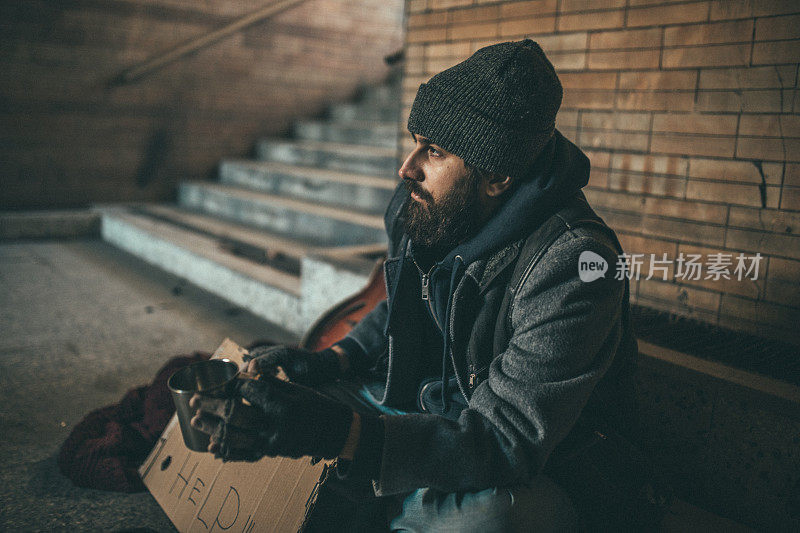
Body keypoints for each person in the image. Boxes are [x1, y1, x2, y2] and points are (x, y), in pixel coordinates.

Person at [190, 39, 651, 531]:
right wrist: (327, 361)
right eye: (416, 141)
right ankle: (389, 502)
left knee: (491, 519)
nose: (406, 169)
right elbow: (402, 306)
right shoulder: (431, 206)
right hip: (418, 415)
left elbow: (502, 442)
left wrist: (336, 433)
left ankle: (385, 504)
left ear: (496, 175)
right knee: (260, 404)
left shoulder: (574, 264)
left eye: (434, 151)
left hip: (523, 466)